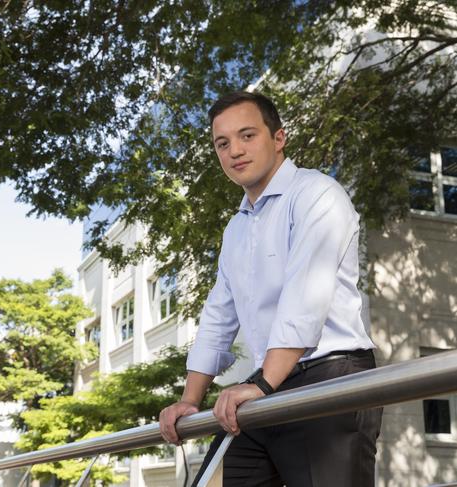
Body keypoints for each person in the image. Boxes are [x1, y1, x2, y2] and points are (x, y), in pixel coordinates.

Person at [159, 91, 382, 487]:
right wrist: (190, 400)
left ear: (278, 138)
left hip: (330, 379)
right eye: (222, 143)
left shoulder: (317, 194)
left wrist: (261, 384)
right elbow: (218, 316)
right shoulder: (237, 228)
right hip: (268, 384)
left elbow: (305, 300)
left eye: (247, 135)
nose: (235, 151)